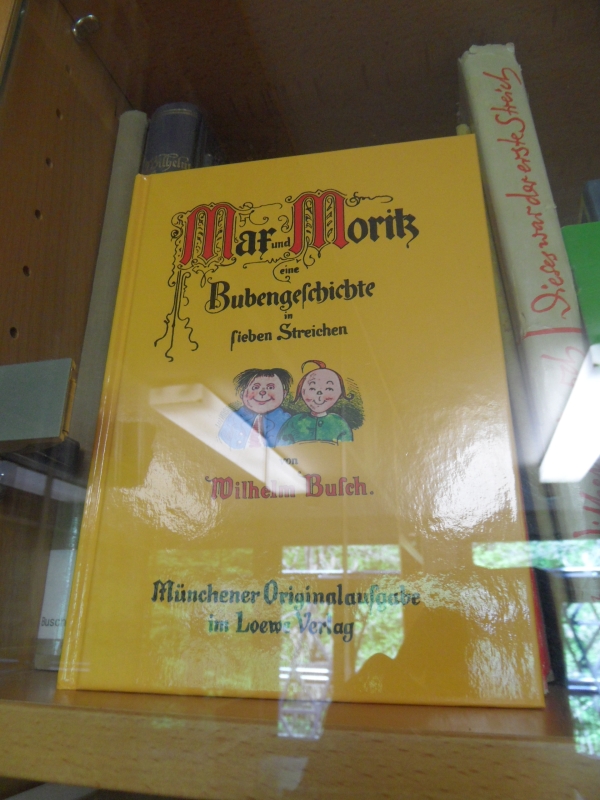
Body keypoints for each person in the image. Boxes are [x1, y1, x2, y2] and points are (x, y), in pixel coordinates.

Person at [277, 360, 353, 445]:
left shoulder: (339, 423)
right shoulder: (294, 422)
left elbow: (348, 447)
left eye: (329, 388)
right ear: (301, 391)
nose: (319, 392)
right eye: (312, 388)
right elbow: (281, 444)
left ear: (340, 392)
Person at [219, 368, 292, 449]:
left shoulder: (287, 421)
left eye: (270, 387)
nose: (262, 392)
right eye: (255, 387)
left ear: (284, 394)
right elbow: (222, 441)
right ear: (242, 393)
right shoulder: (234, 417)